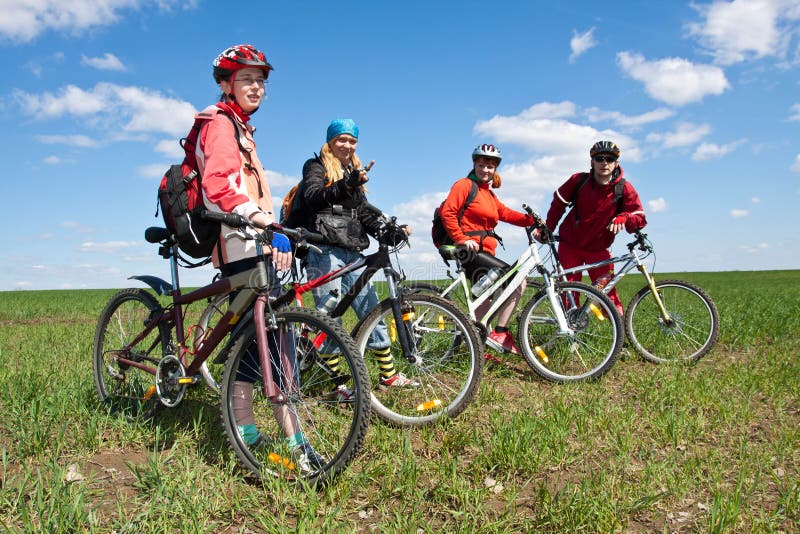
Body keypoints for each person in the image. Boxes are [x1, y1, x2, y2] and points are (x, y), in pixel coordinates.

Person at [197, 44, 322, 471]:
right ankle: (250, 435)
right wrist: (259, 219)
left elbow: (250, 192)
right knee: (253, 346)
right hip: (236, 243)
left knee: (264, 341)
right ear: (225, 83)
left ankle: (279, 438)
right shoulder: (218, 124)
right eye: (248, 79)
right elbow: (218, 185)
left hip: (253, 240)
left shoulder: (242, 129)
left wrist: (275, 231)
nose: (257, 87)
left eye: (262, 80)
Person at [300, 119, 417, 394]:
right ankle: (337, 384)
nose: (347, 145)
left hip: (352, 250)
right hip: (322, 249)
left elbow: (362, 214)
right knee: (329, 315)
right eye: (341, 139)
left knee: (371, 309)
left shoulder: (354, 171)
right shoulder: (315, 166)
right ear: (330, 141)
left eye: (352, 141)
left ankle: (388, 376)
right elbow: (313, 197)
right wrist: (346, 184)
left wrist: (389, 233)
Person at [440, 144, 535, 356]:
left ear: (495, 169)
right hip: (469, 251)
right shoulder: (464, 185)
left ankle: (477, 346)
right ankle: (500, 332)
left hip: (484, 252)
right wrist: (461, 238)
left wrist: (532, 221)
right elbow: (448, 212)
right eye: (481, 165)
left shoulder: (489, 195)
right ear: (474, 164)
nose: (485, 170)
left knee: (484, 299)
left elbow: (507, 214)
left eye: (490, 166)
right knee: (518, 279)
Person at [534, 140, 647, 315]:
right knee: (568, 294)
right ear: (592, 162)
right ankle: (570, 337)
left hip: (599, 250)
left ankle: (622, 338)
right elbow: (558, 205)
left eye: (609, 159)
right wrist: (546, 229)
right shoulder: (578, 181)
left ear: (616, 163)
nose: (604, 163)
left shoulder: (623, 188)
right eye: (599, 158)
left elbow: (640, 219)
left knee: (608, 295)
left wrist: (625, 217)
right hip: (570, 245)